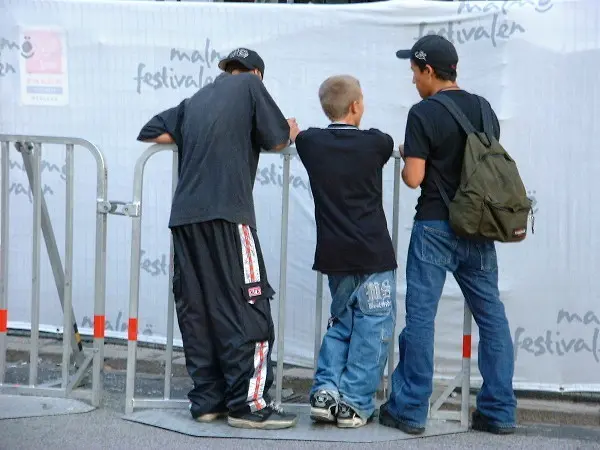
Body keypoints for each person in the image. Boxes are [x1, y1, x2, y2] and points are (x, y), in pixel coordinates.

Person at [137, 47, 300, 430]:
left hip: (185, 219)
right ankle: (249, 404)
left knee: (200, 308)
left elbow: (151, 132)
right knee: (249, 306)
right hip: (229, 214)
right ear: (257, 74)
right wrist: (290, 132)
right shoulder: (250, 86)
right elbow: (277, 140)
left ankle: (208, 401)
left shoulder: (196, 99)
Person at [378, 35, 517, 435]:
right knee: (492, 317)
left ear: (428, 70)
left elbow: (414, 179)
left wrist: (408, 156)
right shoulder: (484, 109)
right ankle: (499, 411)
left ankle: (409, 410)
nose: (413, 81)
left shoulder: (422, 113)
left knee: (421, 317)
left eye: (414, 73)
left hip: (436, 226)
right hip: (478, 227)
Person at [295, 75, 398, 428]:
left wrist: (293, 131)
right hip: (373, 255)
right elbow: (384, 142)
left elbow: (299, 135)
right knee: (373, 328)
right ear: (356, 107)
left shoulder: (310, 142)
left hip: (335, 255)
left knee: (342, 323)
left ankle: (326, 391)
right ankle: (354, 402)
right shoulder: (376, 144)